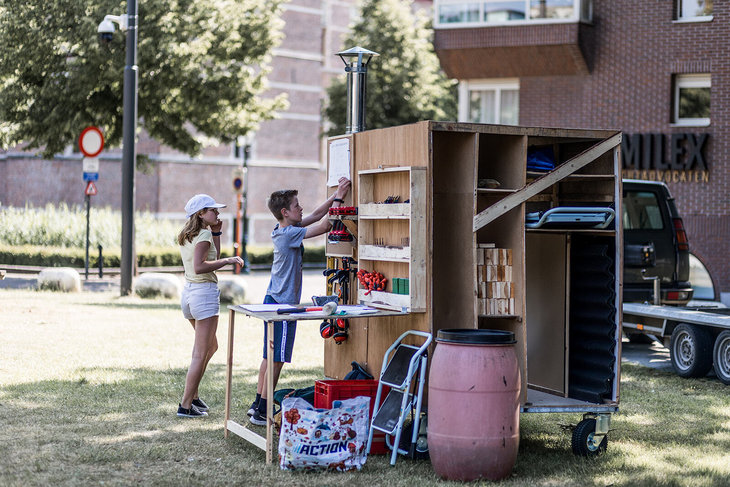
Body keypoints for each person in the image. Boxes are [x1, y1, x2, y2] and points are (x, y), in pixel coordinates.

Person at [248, 177, 351, 425]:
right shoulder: (288, 235)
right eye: (296, 206)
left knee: (268, 355)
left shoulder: (283, 229)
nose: (301, 208)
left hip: (273, 299)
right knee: (277, 358)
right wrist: (339, 198)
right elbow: (326, 226)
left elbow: (316, 214)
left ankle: (257, 404)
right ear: (285, 212)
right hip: (282, 305)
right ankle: (263, 410)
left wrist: (338, 193)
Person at [177, 194, 244, 418]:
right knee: (200, 352)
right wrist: (229, 260)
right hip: (203, 295)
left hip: (188, 295)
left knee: (211, 346)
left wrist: (217, 232)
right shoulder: (203, 233)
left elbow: (211, 254)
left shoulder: (191, 234)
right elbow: (201, 266)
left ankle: (194, 397)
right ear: (200, 214)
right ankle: (185, 405)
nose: (217, 213)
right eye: (213, 210)